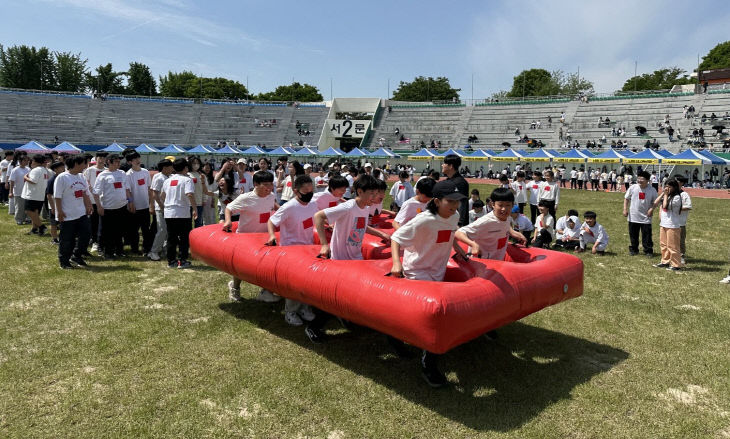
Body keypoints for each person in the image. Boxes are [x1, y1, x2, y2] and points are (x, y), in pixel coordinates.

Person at [390, 180, 472, 387]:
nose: (455, 206)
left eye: (458, 201)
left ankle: (394, 336)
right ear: (437, 201)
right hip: (417, 271)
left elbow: (451, 234)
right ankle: (429, 365)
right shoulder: (423, 220)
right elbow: (397, 238)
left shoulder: (453, 217)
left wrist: (461, 251)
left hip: (438, 271)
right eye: (450, 201)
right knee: (434, 320)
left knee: (424, 317)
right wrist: (397, 264)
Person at [307, 175, 392, 343]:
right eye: (372, 194)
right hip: (340, 259)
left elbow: (360, 224)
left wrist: (380, 233)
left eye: (377, 194)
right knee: (335, 298)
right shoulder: (347, 206)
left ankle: (347, 318)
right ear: (359, 191)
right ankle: (314, 326)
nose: (375, 198)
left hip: (356, 257)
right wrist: (325, 245)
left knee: (352, 295)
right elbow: (318, 216)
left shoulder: (363, 207)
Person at [267, 175, 318, 326]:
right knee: (294, 283)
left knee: (307, 281)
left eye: (311, 190)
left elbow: (315, 220)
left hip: (308, 247)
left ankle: (304, 307)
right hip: (291, 249)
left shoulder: (312, 204)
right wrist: (271, 235)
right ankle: (290, 311)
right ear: (296, 191)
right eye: (305, 190)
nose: (309, 193)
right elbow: (272, 220)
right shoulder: (289, 207)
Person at [223, 170, 279, 303]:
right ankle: (235, 288)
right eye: (265, 184)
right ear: (255, 184)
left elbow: (274, 205)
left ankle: (266, 291)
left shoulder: (270, 195)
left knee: (266, 266)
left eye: (271, 184)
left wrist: (283, 210)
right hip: (245, 238)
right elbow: (229, 208)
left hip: (264, 237)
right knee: (240, 267)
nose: (269, 188)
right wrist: (227, 221)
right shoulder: (246, 198)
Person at [455, 187, 526, 261]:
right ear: (493, 204)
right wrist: (473, 244)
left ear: (512, 205)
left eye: (508, 205)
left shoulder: (507, 216)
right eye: (500, 205)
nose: (504, 209)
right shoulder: (486, 222)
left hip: (498, 260)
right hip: (482, 264)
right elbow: (458, 233)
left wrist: (513, 232)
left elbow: (504, 224)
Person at [54, 155, 93, 269]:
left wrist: (89, 205)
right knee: (67, 239)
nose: (85, 166)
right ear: (76, 164)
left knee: (86, 235)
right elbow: (57, 196)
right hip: (67, 214)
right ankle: (64, 261)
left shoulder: (81, 176)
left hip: (81, 213)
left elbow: (84, 192)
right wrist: (59, 211)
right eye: (83, 164)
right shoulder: (62, 177)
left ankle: (76, 255)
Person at [93, 154, 134, 259]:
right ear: (109, 162)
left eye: (119, 162)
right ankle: (108, 252)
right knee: (108, 232)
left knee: (120, 230)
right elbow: (96, 193)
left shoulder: (122, 173)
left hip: (121, 206)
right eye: (116, 161)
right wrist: (99, 206)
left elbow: (127, 189)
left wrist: (130, 201)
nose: (118, 164)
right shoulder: (102, 175)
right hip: (108, 208)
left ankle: (119, 250)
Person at [160, 158, 197, 269]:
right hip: (182, 212)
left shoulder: (168, 180)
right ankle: (182, 260)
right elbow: (189, 194)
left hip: (169, 212)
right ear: (185, 168)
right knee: (184, 237)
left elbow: (162, 195)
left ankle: (171, 261)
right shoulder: (187, 180)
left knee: (172, 238)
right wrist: (194, 208)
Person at [623, 171, 657, 256]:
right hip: (634, 215)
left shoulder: (652, 190)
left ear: (647, 180)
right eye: (638, 178)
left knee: (647, 235)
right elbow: (626, 198)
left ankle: (648, 250)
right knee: (633, 234)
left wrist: (651, 209)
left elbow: (655, 202)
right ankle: (634, 249)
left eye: (642, 179)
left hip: (646, 216)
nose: (640, 180)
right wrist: (625, 209)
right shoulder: (633, 187)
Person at [125, 152, 153, 255]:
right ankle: (135, 249)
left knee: (146, 229)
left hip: (145, 205)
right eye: (134, 159)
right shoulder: (128, 174)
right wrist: (131, 203)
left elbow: (149, 188)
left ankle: (147, 248)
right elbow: (128, 190)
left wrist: (151, 203)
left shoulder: (145, 172)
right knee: (134, 230)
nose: (137, 160)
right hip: (134, 207)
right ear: (129, 162)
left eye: (138, 158)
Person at [652, 178, 683, 271]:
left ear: (674, 187)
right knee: (663, 244)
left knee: (673, 246)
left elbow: (665, 206)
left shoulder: (677, 197)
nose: (667, 189)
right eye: (666, 186)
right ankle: (665, 261)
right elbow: (655, 203)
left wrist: (665, 195)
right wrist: (663, 193)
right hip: (664, 224)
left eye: (669, 187)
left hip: (672, 225)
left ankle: (676, 264)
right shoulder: (666, 195)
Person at [148, 159, 173, 261]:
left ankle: (164, 249)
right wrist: (161, 207)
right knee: (162, 230)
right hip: (161, 208)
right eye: (170, 167)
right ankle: (153, 251)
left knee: (167, 230)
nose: (172, 169)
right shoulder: (159, 178)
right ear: (165, 168)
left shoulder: (169, 177)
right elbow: (155, 194)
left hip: (169, 207)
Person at [84, 151, 108, 254]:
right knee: (93, 222)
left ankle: (101, 242)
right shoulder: (89, 170)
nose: (102, 160)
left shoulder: (107, 171)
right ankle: (94, 241)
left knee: (102, 223)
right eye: (100, 158)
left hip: (104, 201)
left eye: (104, 158)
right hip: (92, 200)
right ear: (96, 158)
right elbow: (85, 184)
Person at [21, 154, 49, 236]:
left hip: (32, 194)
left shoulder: (36, 170)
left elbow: (33, 181)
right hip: (40, 194)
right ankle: (34, 229)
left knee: (29, 211)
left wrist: (25, 177)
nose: (31, 162)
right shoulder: (44, 169)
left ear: (35, 161)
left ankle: (42, 226)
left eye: (32, 161)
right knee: (35, 213)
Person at [441, 154, 469, 226]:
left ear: (450, 166)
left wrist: (459, 224)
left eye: (444, 163)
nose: (442, 165)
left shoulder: (460, 183)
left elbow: (462, 204)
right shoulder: (448, 180)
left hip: (455, 224)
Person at [45, 161, 66, 244]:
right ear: (55, 169)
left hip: (61, 204)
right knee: (53, 223)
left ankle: (62, 237)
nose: (63, 169)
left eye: (63, 167)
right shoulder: (52, 180)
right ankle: (54, 239)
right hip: (53, 205)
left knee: (62, 222)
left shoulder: (63, 178)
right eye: (61, 168)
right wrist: (53, 207)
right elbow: (49, 195)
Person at [9, 154, 30, 225]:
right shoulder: (15, 170)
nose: (27, 162)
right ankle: (19, 219)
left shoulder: (28, 169)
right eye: (25, 160)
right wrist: (11, 192)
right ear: (20, 161)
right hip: (18, 191)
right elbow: (12, 181)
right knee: (19, 207)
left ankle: (27, 218)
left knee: (27, 206)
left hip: (27, 191)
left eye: (27, 160)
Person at [675, 175, 692, 265]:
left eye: (677, 181)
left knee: (680, 241)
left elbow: (688, 206)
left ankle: (681, 256)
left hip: (680, 222)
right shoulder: (670, 193)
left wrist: (677, 208)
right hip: (670, 222)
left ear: (681, 183)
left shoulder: (684, 194)